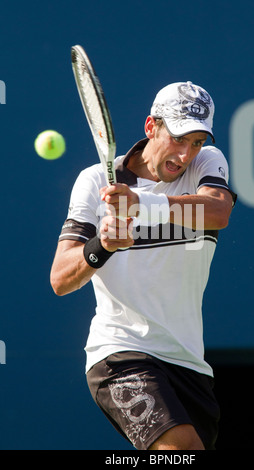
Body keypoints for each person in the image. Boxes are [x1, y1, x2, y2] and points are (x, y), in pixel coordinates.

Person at [50, 81, 236, 450]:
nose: (186, 154)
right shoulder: (94, 181)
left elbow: (218, 211)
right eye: (179, 138)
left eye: (196, 141)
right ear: (151, 127)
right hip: (121, 354)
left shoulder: (207, 162)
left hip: (188, 363)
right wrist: (101, 246)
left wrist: (141, 205)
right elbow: (60, 278)